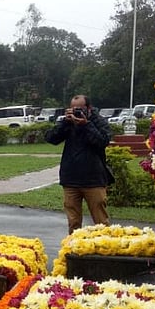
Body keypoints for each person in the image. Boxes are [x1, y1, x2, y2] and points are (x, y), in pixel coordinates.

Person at [45, 94, 113, 233]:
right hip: (71, 179)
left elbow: (102, 141)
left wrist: (86, 124)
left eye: (80, 109)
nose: (76, 111)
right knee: (73, 221)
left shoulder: (98, 121)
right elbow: (51, 138)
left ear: (89, 108)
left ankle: (105, 248)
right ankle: (74, 249)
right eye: (73, 108)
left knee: (101, 221)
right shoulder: (68, 123)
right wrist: (65, 122)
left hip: (94, 179)